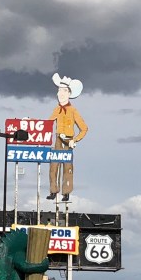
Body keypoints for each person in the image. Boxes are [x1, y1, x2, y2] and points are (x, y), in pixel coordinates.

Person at [47, 73, 88, 201]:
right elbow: (47, 123)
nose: (61, 93)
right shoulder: (57, 109)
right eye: (59, 90)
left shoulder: (73, 110)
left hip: (68, 140)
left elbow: (84, 128)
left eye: (64, 90)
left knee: (67, 168)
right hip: (58, 139)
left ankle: (66, 192)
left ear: (69, 93)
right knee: (54, 166)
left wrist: (74, 140)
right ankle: (53, 191)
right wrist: (31, 122)